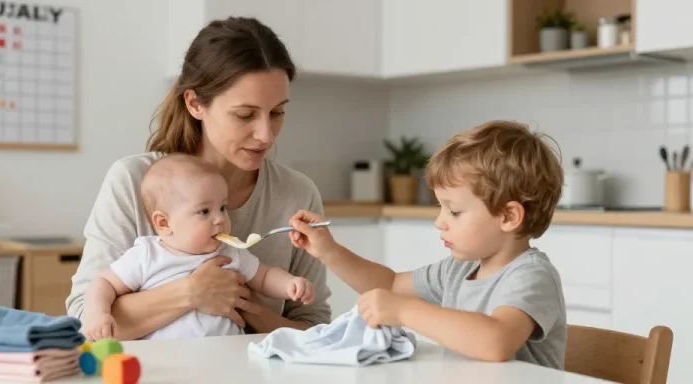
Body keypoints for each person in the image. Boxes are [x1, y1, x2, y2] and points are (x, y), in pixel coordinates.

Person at [66, 16, 332, 340]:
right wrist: (191, 293)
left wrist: (249, 308)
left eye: (277, 112)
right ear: (194, 104)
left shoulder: (297, 194)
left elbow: (315, 330)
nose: (266, 135)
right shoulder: (133, 182)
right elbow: (84, 320)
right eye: (245, 115)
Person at [288, 120, 568, 369]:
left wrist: (404, 311)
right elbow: (390, 283)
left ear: (508, 216)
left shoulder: (531, 276)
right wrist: (329, 251)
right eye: (440, 208)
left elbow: (495, 341)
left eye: (454, 211)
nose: (439, 221)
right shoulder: (458, 270)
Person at [81, 154, 315, 341]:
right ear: (164, 222)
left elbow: (264, 277)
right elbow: (103, 283)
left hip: (226, 360)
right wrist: (97, 314)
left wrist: (289, 285)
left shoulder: (229, 253)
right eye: (204, 211)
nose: (220, 219)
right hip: (165, 363)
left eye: (223, 208)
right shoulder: (147, 255)